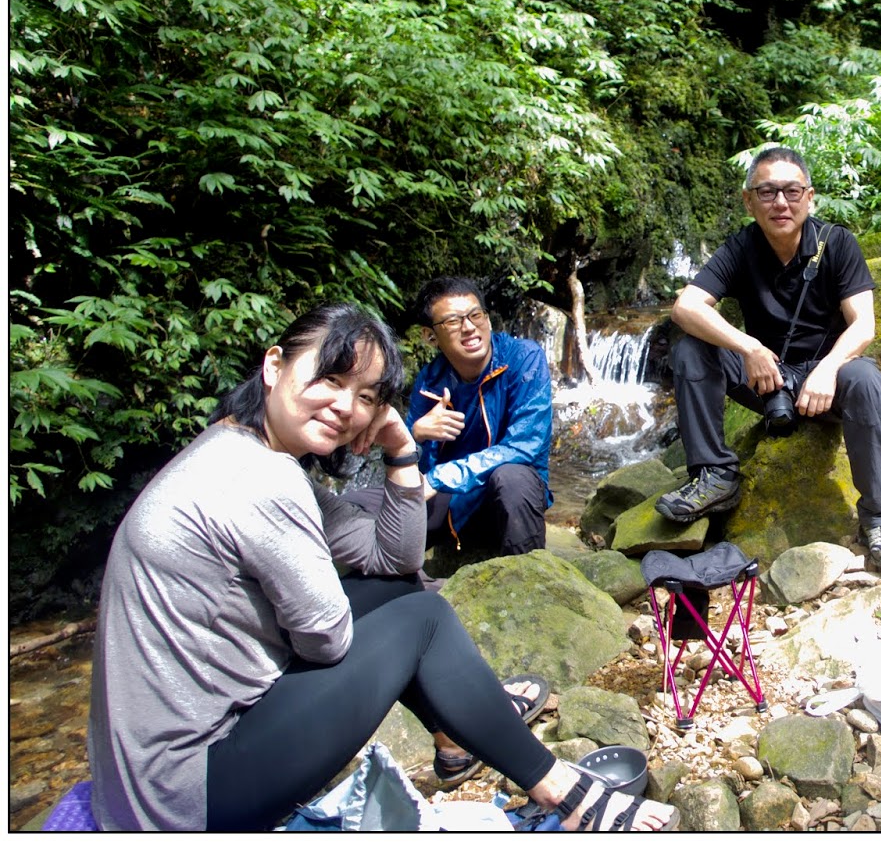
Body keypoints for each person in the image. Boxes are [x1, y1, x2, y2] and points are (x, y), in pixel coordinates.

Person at [87, 304, 677, 832]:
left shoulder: (238, 446)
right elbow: (325, 638)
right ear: (274, 365)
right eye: (330, 378)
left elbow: (393, 560)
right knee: (423, 620)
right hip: (182, 797)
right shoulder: (261, 478)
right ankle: (560, 790)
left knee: (397, 593)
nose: (347, 407)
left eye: (368, 396)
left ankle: (456, 735)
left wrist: (401, 450)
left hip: (147, 776)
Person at [656, 145, 881, 570]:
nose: (780, 202)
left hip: (827, 380)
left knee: (868, 380)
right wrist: (749, 347)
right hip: (766, 377)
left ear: (809, 197)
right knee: (690, 348)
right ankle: (715, 475)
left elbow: (864, 325)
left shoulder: (837, 243)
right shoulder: (741, 247)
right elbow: (685, 308)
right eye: (767, 191)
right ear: (748, 200)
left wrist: (829, 369)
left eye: (792, 191)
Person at [405, 276, 553, 557]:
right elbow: (411, 470)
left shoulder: (523, 358)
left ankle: (530, 576)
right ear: (430, 336)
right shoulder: (430, 381)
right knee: (383, 513)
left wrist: (440, 477)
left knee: (511, 478)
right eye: (453, 321)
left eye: (475, 315)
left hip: (508, 494)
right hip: (456, 497)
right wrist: (417, 436)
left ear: (487, 319)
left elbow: (525, 446)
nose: (469, 327)